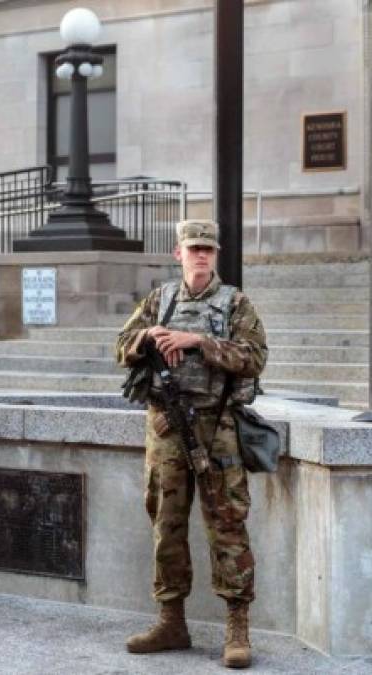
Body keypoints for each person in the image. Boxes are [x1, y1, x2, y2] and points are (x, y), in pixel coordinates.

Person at [115, 220, 267, 669]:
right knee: (166, 523)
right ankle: (171, 620)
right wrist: (149, 337)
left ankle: (237, 628)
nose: (201, 255)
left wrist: (198, 341)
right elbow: (120, 345)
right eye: (193, 248)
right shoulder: (159, 300)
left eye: (208, 249)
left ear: (215, 254)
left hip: (216, 427)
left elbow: (255, 357)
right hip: (166, 427)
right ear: (178, 252)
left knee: (227, 524)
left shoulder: (235, 303)